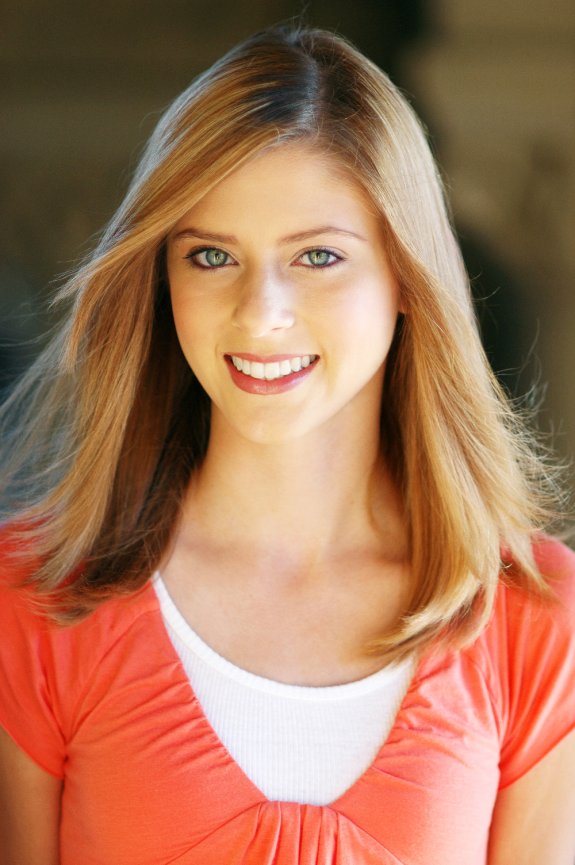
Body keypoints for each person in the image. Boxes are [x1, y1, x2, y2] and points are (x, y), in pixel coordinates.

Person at [0, 25, 574, 865]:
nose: (260, 312)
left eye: (316, 255)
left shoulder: (536, 617)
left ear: (405, 277)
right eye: (210, 255)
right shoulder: (36, 602)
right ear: (162, 279)